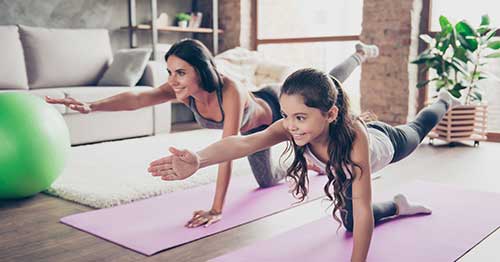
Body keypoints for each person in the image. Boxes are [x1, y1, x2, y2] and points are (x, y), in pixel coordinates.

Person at [46, 38, 378, 228]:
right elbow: (139, 96)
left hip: (274, 107)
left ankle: (359, 54)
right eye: (170, 72)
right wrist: (93, 106)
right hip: (258, 131)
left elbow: (229, 149)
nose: (173, 79)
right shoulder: (184, 89)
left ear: (201, 71)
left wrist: (217, 208)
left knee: (329, 83)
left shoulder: (228, 90)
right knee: (267, 181)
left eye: (180, 72)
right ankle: (306, 159)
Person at [148, 68, 462, 262]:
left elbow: (363, 206)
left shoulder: (355, 139)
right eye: (286, 115)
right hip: (344, 169)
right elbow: (243, 142)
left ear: (330, 114)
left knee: (418, 129)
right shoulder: (290, 127)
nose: (291, 125)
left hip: (385, 144)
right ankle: (398, 206)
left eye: (301, 117)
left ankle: (445, 99)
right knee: (350, 225)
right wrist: (199, 159)